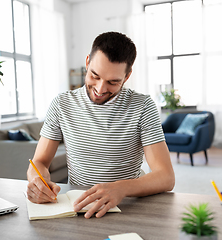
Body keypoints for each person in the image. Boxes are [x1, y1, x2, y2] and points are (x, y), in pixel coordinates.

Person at [27, 31, 175, 219]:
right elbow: (39, 162)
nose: (100, 89)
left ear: (127, 76)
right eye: (94, 76)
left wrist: (121, 188)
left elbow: (166, 176)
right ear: (87, 62)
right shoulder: (61, 104)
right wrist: (36, 181)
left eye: (113, 82)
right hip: (80, 207)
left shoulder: (143, 107)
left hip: (127, 205)